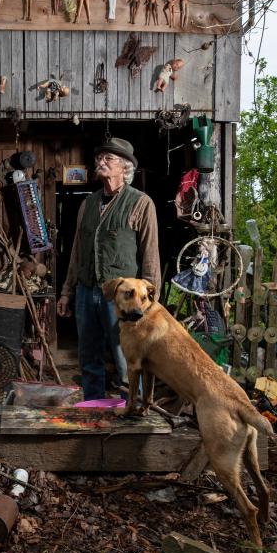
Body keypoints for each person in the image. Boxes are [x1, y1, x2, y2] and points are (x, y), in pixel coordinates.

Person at [57, 138, 161, 400]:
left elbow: (150, 254)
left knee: (126, 356)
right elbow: (77, 252)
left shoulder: (141, 203)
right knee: (88, 356)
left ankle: (134, 409)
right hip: (85, 290)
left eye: (108, 158)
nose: (100, 161)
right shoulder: (88, 204)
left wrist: (149, 299)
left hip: (123, 297)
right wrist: (67, 291)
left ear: (124, 167)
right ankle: (94, 408)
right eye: (99, 157)